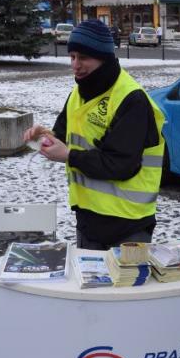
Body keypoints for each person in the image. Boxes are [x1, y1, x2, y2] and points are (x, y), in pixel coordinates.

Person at [23, 19, 165, 251]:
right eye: (72, 57)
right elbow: (63, 135)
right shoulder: (80, 92)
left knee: (126, 286)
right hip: (88, 220)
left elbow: (121, 164)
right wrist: (43, 137)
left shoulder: (132, 99)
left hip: (128, 224)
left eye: (84, 57)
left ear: (104, 58)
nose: (75, 65)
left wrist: (69, 155)